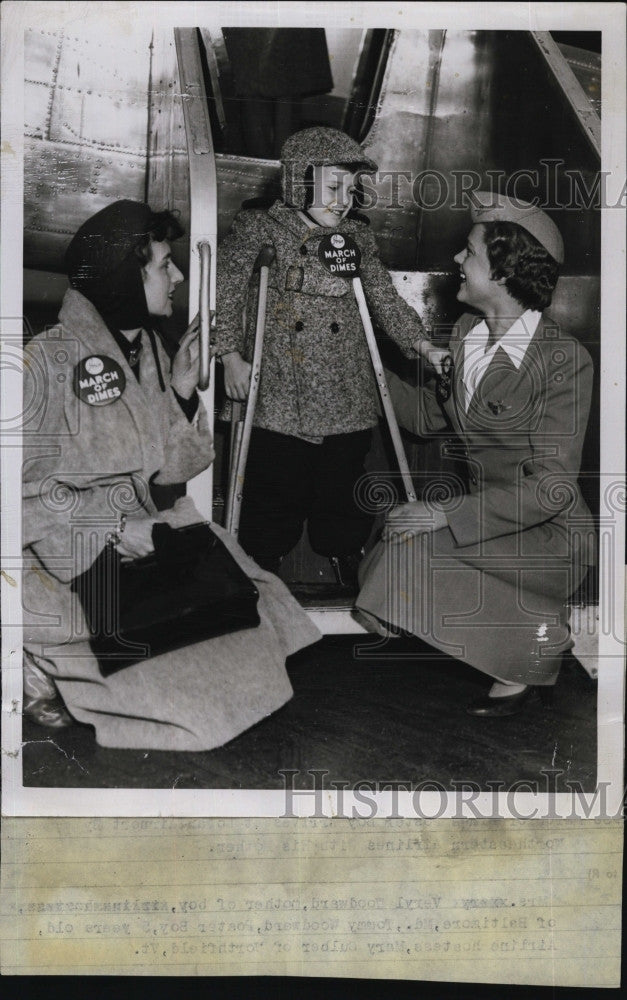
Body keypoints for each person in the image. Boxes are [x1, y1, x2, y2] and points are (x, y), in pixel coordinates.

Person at [21, 199, 320, 750]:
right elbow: (18, 500)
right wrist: (110, 532)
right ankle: (38, 666)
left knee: (241, 625)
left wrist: (180, 394)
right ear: (121, 278)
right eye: (164, 265)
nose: (178, 275)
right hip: (69, 556)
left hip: (135, 540)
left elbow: (170, 467)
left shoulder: (145, 351)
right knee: (179, 691)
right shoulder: (44, 363)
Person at [355, 192, 595, 716]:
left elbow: (551, 488)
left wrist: (443, 513)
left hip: (548, 535)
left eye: (470, 253)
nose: (458, 262)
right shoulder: (466, 336)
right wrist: (367, 367)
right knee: (394, 541)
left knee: (404, 554)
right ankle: (535, 632)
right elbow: (425, 416)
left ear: (506, 271)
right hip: (487, 525)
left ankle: (533, 650)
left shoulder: (563, 360)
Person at [215, 126, 442, 586]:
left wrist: (422, 344)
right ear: (299, 182)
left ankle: (345, 557)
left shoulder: (357, 236)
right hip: (279, 388)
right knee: (274, 488)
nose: (342, 200)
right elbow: (229, 292)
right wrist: (229, 356)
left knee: (342, 488)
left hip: (346, 387)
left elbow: (383, 298)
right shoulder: (261, 227)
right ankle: (262, 571)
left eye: (349, 189)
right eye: (332, 187)